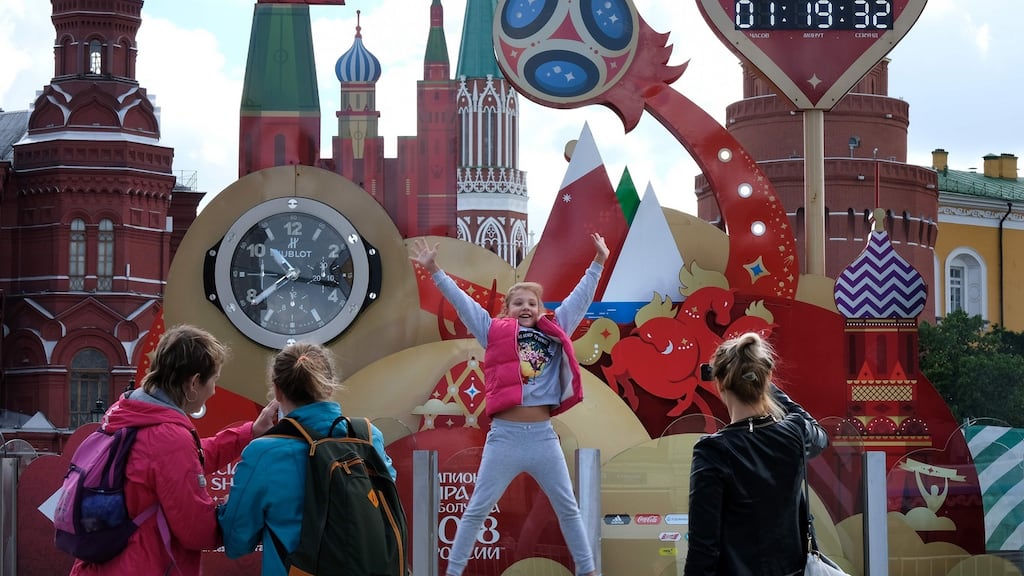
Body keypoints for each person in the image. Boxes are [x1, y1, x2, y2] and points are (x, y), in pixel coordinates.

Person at [409, 233, 609, 576]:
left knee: (568, 509)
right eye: (519, 303)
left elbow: (580, 299)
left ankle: (589, 572)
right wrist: (435, 271)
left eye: (533, 303)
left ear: (542, 310)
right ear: (506, 311)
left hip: (544, 438)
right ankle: (453, 572)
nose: (527, 307)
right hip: (504, 437)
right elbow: (463, 304)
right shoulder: (493, 331)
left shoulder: (555, 330)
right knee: (476, 509)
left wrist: (599, 262)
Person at [70, 324, 279, 576]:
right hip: (142, 566)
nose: (213, 390)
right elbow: (195, 530)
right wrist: (236, 511)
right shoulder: (167, 437)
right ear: (193, 382)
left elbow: (190, 457)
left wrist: (250, 432)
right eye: (213, 380)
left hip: (104, 563)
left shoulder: (131, 413)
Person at [217, 341, 397, 575]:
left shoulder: (263, 453)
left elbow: (236, 543)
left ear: (277, 391)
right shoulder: (369, 438)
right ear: (329, 387)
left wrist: (227, 508)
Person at [683, 332, 829, 575]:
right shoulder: (794, 432)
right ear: (766, 378)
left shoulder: (712, 450)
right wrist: (765, 384)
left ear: (719, 383)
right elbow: (818, 433)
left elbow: (703, 549)